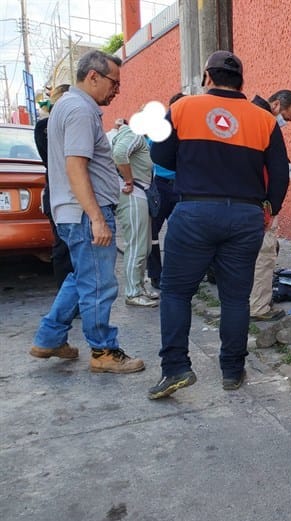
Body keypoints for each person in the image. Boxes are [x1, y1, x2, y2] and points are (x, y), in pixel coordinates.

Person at [147, 50, 289, 399]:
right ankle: (232, 370)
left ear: (207, 77)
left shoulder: (182, 108)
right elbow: (281, 174)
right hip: (245, 216)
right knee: (236, 298)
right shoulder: (264, 120)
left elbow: (159, 156)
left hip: (194, 211)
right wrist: (270, 207)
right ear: (241, 82)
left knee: (177, 291)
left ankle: (176, 367)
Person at [29, 50, 145, 374]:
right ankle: (103, 350)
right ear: (93, 76)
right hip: (84, 214)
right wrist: (96, 217)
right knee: (98, 284)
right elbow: (75, 166)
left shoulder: (67, 106)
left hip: (74, 212)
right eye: (114, 83)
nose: (117, 90)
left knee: (82, 278)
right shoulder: (80, 110)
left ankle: (49, 337)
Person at [249, 89, 291, 322]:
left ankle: (243, 301)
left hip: (239, 201)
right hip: (262, 204)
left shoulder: (245, 116)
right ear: (277, 105)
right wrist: (273, 207)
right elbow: (277, 171)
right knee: (264, 255)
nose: (285, 123)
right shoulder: (266, 123)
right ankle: (258, 307)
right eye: (287, 118)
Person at [111, 117, 157, 307]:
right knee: (137, 245)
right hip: (133, 194)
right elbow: (120, 154)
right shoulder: (135, 134)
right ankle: (133, 291)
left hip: (137, 194)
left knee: (143, 246)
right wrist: (128, 180)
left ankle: (138, 286)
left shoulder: (133, 135)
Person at [34, 83, 73, 288]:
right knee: (63, 247)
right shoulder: (45, 127)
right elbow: (50, 158)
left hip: (70, 191)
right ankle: (66, 298)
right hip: (59, 191)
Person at [146, 92, 185, 290]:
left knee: (181, 233)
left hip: (181, 187)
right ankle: (155, 274)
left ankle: (177, 272)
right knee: (152, 232)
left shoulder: (190, 129)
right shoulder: (158, 129)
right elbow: (147, 155)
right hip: (160, 186)